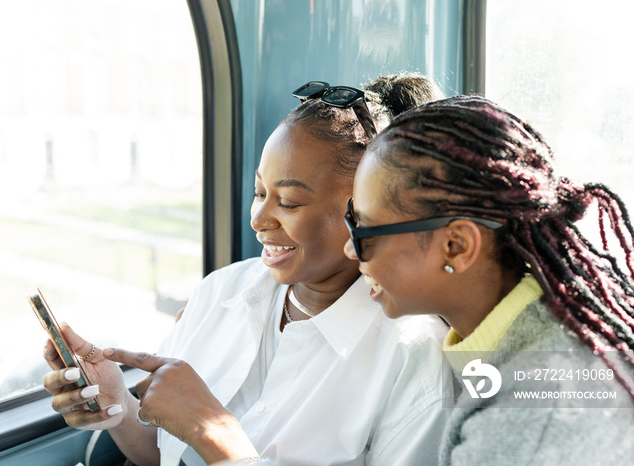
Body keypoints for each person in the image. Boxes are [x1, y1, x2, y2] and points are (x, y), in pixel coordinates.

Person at [43, 72, 451, 466]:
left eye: (288, 202)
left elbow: (201, 437)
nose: (258, 218)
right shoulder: (221, 291)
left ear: (363, 212)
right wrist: (118, 403)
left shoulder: (411, 359)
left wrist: (215, 435)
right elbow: (163, 452)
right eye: (259, 192)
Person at [344, 94, 634, 464]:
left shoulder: (529, 425)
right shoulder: (536, 334)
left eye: (364, 231)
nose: (350, 251)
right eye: (350, 218)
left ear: (456, 246)